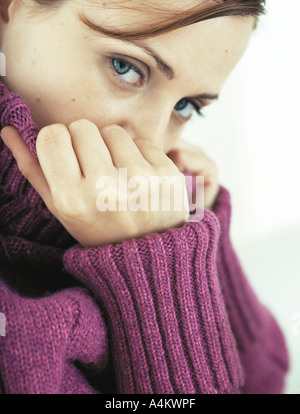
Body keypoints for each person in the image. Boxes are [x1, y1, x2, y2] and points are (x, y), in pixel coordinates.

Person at [0, 0, 289, 394]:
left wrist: (193, 242)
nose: (152, 142)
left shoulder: (153, 204)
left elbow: (267, 381)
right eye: (126, 67)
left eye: (186, 106)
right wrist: (156, 263)